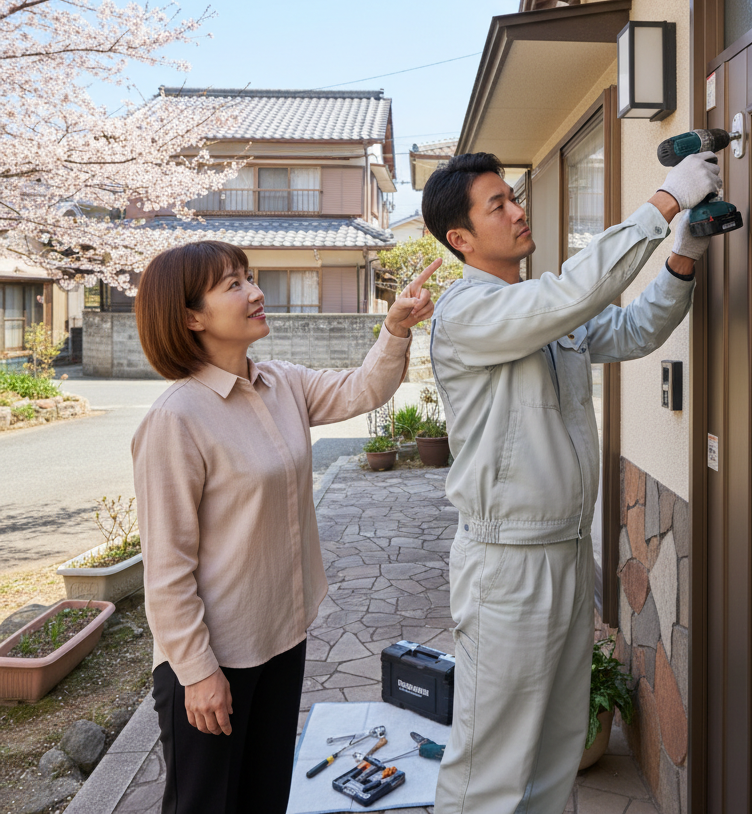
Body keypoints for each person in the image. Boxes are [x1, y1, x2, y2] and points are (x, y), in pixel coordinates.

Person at [422, 150, 720, 814]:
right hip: (505, 563)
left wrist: (681, 258)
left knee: (556, 752)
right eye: (497, 204)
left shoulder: (543, 312)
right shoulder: (468, 312)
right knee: (491, 765)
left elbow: (634, 329)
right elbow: (569, 294)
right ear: (461, 239)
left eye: (513, 197)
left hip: (561, 552)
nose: (518, 210)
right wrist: (663, 203)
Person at [131, 240, 441, 814]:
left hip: (280, 635)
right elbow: (167, 567)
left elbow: (362, 389)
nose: (255, 292)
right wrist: (198, 673)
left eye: (250, 278)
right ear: (190, 316)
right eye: (233, 285)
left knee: (266, 794)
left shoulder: (280, 382)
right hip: (213, 656)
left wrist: (395, 328)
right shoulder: (176, 419)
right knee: (208, 804)